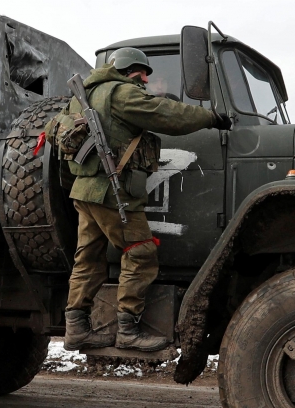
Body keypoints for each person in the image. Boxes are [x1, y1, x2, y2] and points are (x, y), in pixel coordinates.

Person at [62, 47, 231, 352]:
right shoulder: (122, 93)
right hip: (114, 193)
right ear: (133, 70)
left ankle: (76, 328)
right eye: (143, 73)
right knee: (139, 253)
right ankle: (128, 330)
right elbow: (167, 115)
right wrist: (210, 117)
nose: (146, 80)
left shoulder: (82, 96)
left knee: (88, 258)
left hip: (85, 191)